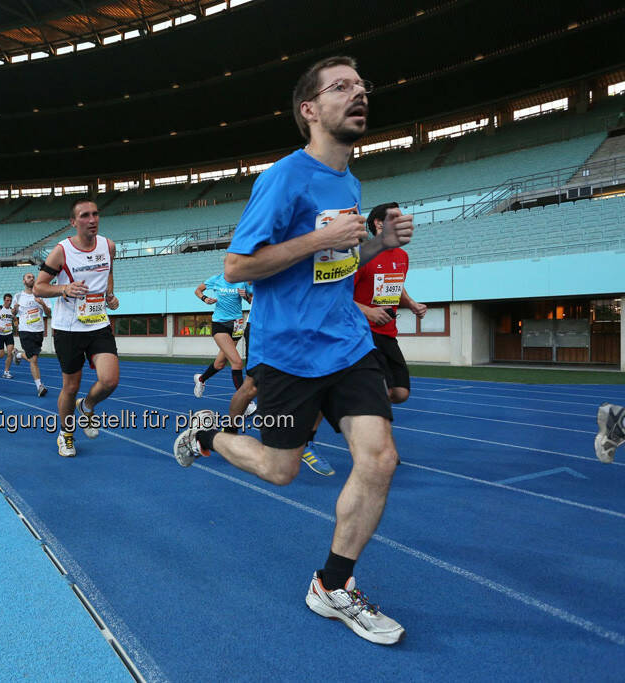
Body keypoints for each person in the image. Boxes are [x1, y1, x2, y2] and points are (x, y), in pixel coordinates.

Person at [172, 56, 413, 645]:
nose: (359, 95)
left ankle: (333, 585)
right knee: (280, 470)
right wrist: (320, 238)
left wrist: (374, 242)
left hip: (348, 344)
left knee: (379, 457)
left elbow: (333, 266)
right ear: (309, 110)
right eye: (341, 88)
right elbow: (238, 266)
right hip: (287, 355)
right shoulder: (283, 178)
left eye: (362, 86)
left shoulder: (349, 182)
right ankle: (207, 434)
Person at [33, 198, 120, 458]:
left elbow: (108, 272)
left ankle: (87, 406)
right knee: (70, 387)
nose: (92, 219)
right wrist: (64, 288)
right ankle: (65, 435)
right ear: (73, 222)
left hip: (98, 324)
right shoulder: (61, 251)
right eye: (84, 215)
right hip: (68, 328)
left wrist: (110, 295)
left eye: (95, 214)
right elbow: (39, 286)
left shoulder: (108, 246)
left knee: (110, 380)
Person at [353, 202, 428, 405]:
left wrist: (411, 303)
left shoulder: (403, 256)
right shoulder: (362, 256)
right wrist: (368, 311)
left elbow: (395, 285)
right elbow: (339, 296)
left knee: (401, 394)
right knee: (381, 393)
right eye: (396, 218)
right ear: (379, 223)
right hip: (363, 333)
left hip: (388, 333)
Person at [192, 272, 253, 405]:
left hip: (237, 325)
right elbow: (198, 290)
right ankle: (245, 403)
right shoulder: (216, 279)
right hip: (220, 324)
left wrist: (246, 296)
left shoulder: (242, 280)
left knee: (220, 364)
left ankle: (201, 379)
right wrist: (205, 298)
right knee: (237, 362)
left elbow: (252, 301)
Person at [12, 272, 51, 397]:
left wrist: (43, 304)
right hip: (25, 330)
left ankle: (18, 354)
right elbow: (13, 313)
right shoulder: (18, 296)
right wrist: (15, 310)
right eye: (29, 277)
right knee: (33, 359)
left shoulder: (41, 295)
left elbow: (49, 314)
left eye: (33, 277)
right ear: (24, 281)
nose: (32, 278)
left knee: (33, 357)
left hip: (38, 331)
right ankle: (39, 386)